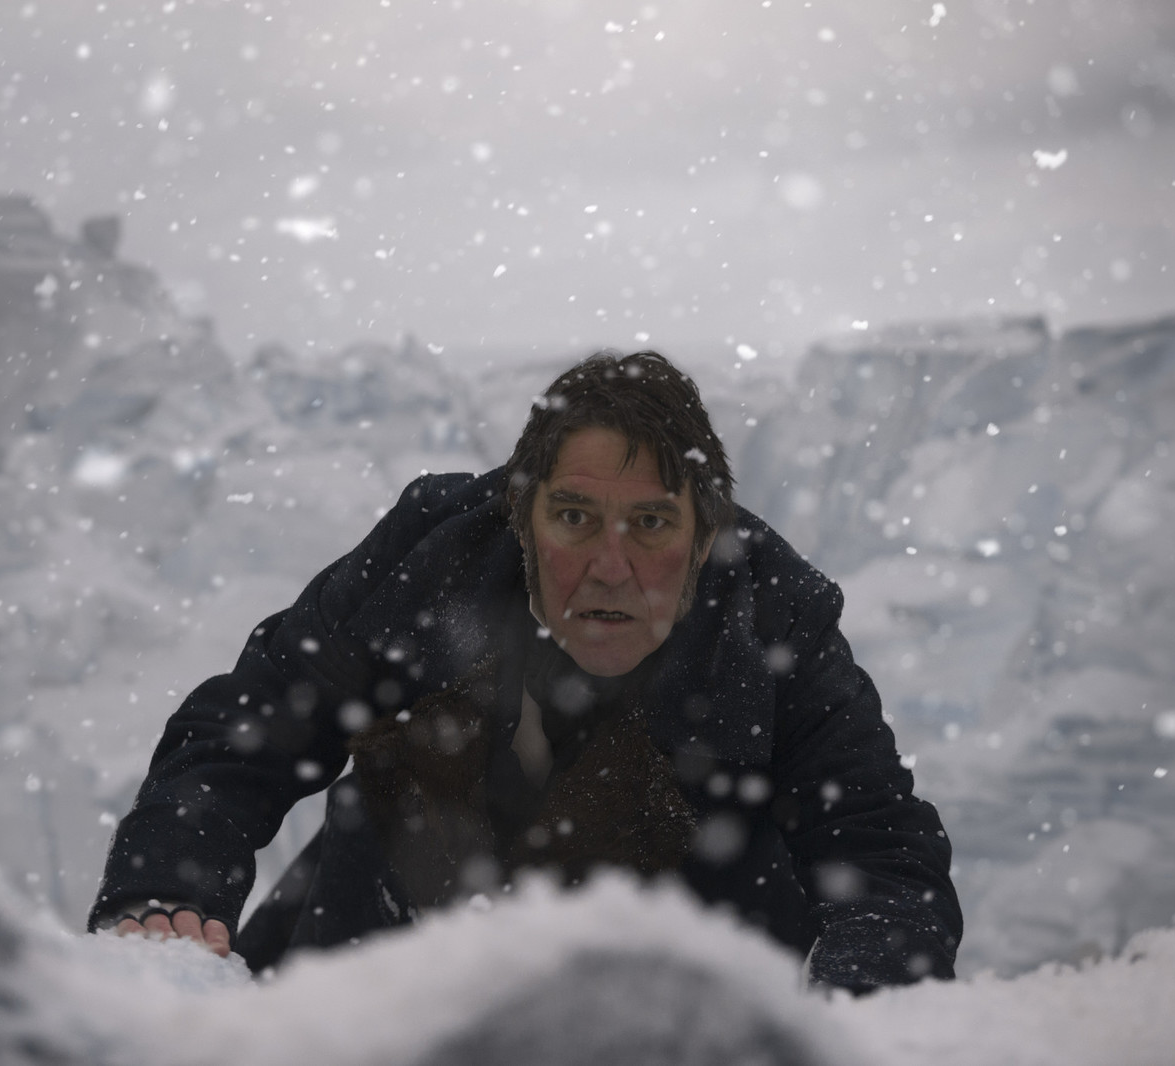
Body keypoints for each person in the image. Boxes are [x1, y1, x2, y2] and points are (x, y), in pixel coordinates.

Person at [90, 350, 961, 992]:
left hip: (679, 1000)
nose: (611, 566)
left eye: (651, 524)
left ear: (705, 537)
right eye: (575, 517)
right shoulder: (431, 557)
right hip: (379, 972)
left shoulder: (772, 611)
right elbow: (252, 726)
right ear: (521, 514)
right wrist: (168, 894)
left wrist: (854, 1008)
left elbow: (879, 856)